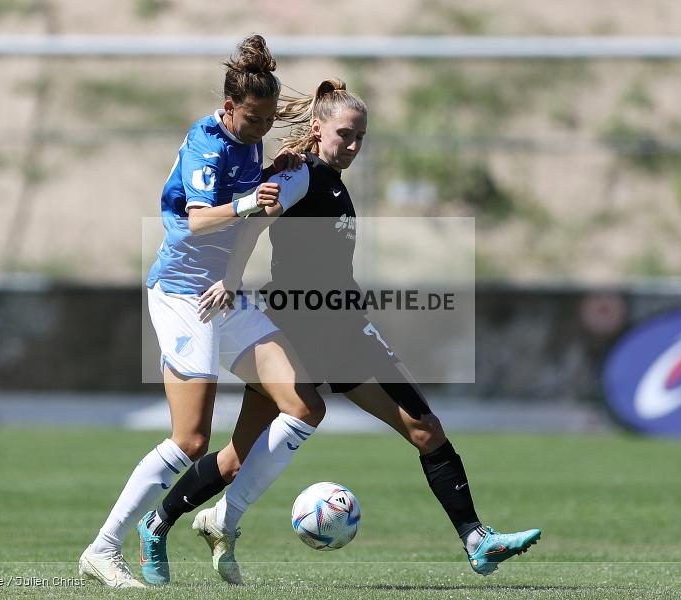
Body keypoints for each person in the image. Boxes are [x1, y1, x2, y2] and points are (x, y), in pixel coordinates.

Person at [138, 78, 541, 585]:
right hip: (295, 328)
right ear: (317, 129)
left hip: (346, 332)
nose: (352, 145)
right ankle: (160, 522)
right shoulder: (301, 175)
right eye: (345, 135)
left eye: (360, 137)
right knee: (238, 458)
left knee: (426, 429)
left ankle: (477, 540)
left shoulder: (328, 178)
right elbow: (253, 221)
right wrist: (230, 280)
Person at [78, 35, 325, 589]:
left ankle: (220, 518)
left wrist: (291, 156)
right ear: (229, 107)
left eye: (267, 119)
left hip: (223, 292)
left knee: (304, 403)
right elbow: (195, 221)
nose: (262, 128)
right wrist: (247, 202)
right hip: (181, 293)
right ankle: (103, 546)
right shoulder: (207, 142)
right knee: (189, 439)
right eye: (255, 119)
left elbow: (259, 188)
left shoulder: (250, 137)